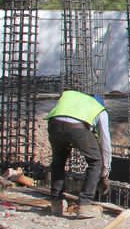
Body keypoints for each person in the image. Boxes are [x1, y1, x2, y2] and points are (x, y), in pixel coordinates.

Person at [45, 89, 112, 218]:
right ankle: (85, 204)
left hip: (54, 124)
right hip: (77, 128)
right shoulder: (100, 110)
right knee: (95, 161)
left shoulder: (72, 97)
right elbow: (105, 143)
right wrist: (105, 172)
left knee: (58, 162)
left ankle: (56, 203)